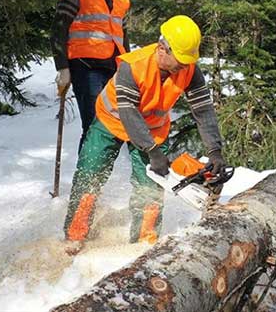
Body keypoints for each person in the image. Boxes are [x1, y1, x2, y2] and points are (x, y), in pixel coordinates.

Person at [62, 15, 226, 253]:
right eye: (180, 60)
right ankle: (74, 237)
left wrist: (215, 150)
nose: (184, 65)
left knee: (150, 187)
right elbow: (129, 112)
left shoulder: (189, 70)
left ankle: (143, 247)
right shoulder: (133, 65)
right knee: (90, 173)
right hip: (110, 122)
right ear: (162, 49)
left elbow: (203, 109)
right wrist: (152, 150)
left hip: (153, 129)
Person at [51, 0, 130, 150]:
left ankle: (97, 176)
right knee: (94, 125)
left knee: (113, 126)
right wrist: (63, 68)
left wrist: (129, 67)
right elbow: (58, 31)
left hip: (114, 69)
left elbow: (123, 37)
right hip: (86, 69)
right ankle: (85, 180)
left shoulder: (121, 0)